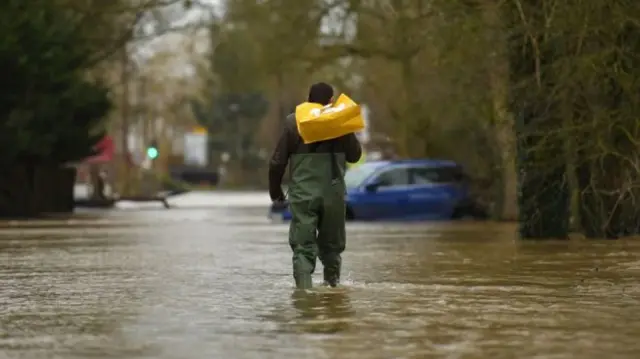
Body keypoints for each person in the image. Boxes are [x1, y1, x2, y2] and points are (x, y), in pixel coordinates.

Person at [269, 82, 362, 289]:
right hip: (333, 194)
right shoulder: (339, 122)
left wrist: (275, 193)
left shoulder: (294, 123)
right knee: (332, 248)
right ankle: (333, 290)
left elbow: (277, 162)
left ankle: (304, 295)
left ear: (308, 100)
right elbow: (355, 156)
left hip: (303, 195)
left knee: (303, 247)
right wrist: (345, 128)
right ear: (331, 101)